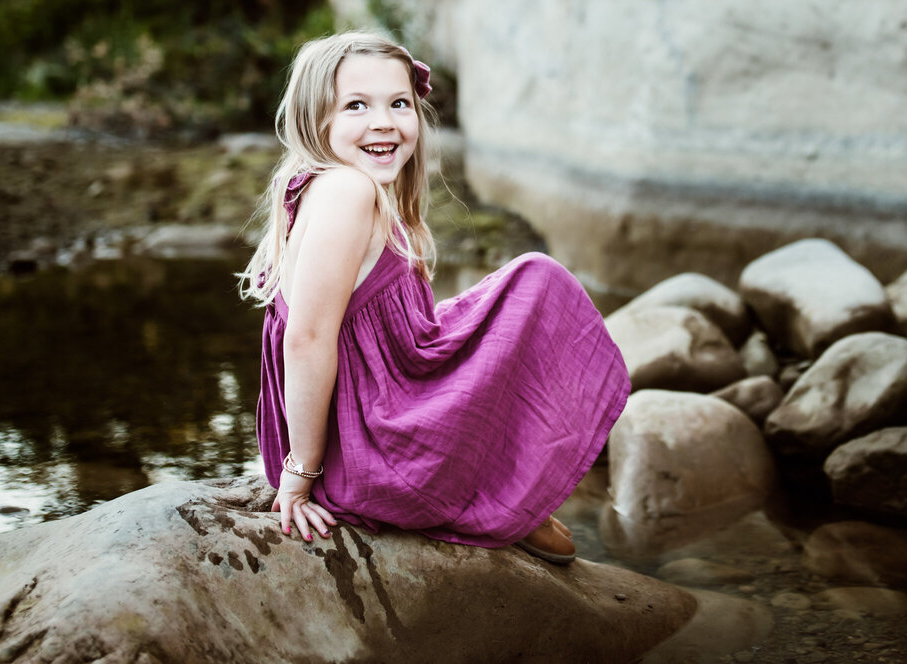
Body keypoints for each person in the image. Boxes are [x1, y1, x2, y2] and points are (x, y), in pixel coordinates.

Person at [239, 30, 629, 564]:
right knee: (537, 282)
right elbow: (307, 338)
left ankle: (497, 487)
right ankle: (491, 495)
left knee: (489, 307)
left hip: (367, 423)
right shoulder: (347, 193)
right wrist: (299, 475)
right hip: (367, 449)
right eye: (356, 106)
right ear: (316, 119)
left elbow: (373, 327)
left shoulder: (326, 185)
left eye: (399, 103)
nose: (384, 122)